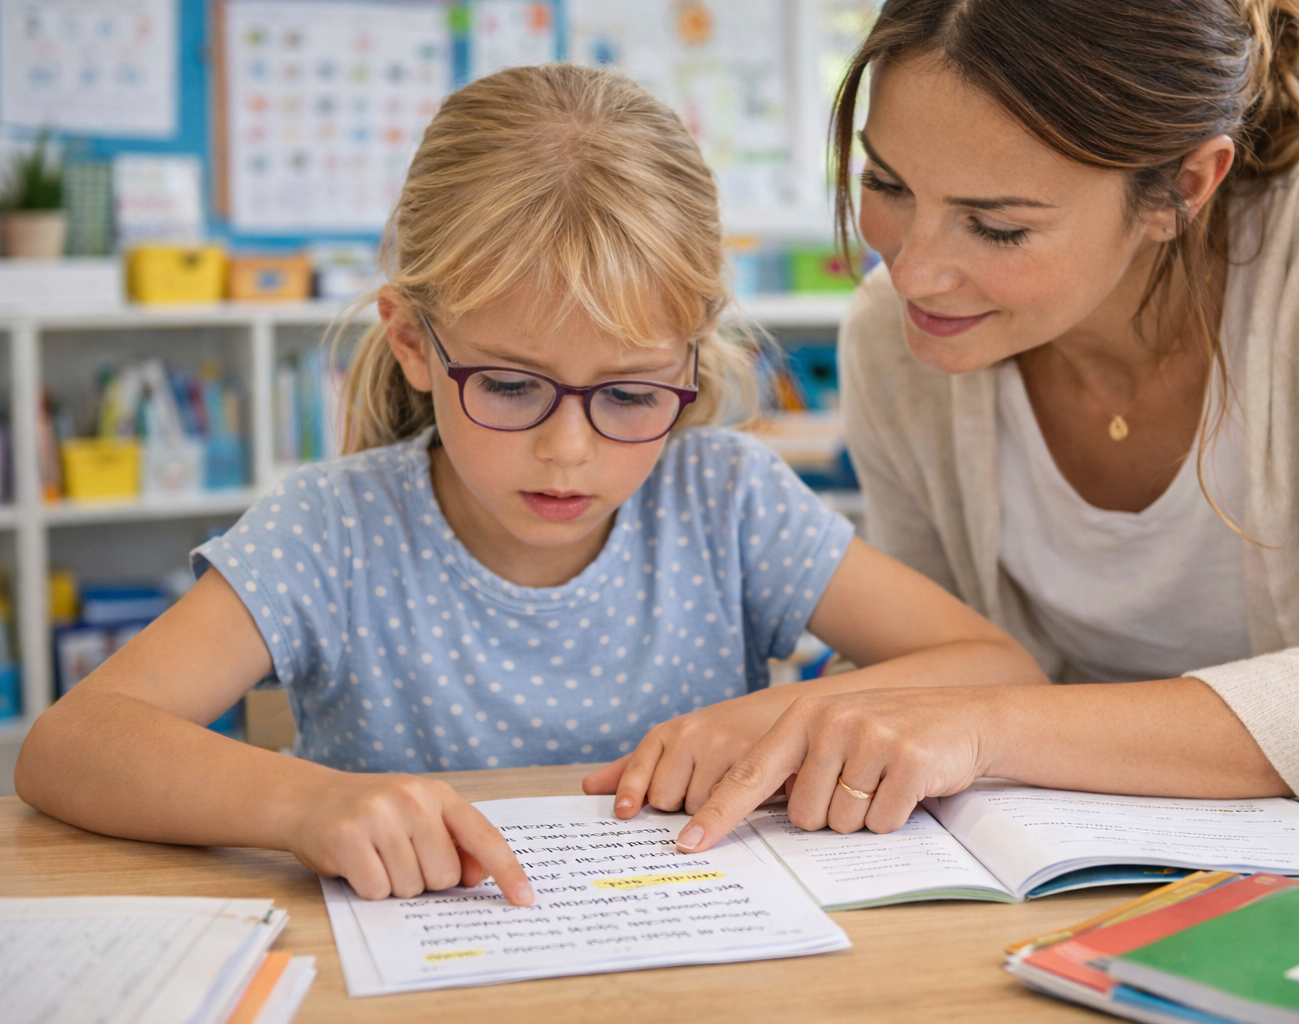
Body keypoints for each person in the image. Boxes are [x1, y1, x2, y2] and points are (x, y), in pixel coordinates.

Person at [14, 64, 1035, 903]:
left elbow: (995, 669)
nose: (569, 452)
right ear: (414, 341)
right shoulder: (334, 530)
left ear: (690, 362)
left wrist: (786, 719)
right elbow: (71, 744)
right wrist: (302, 807)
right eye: (509, 385)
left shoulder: (725, 499)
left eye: (632, 394)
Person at [658, 0, 1299, 857]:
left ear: (1184, 187)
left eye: (997, 226)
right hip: (1082, 858)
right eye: (885, 183)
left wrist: (989, 725)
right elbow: (931, 666)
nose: (913, 272)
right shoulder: (894, 340)